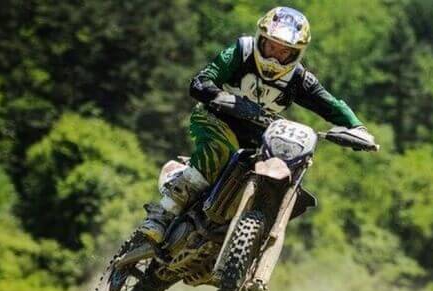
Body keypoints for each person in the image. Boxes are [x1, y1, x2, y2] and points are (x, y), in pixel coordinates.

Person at [139, 6, 376, 243]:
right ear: (260, 39)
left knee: (286, 165)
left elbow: (332, 106)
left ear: (297, 54)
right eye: (271, 46)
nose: (274, 57)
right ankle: (162, 214)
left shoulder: (299, 78)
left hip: (258, 135)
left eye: (284, 52)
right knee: (220, 147)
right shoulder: (242, 52)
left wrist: (358, 129)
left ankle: (248, 229)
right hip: (215, 117)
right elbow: (200, 82)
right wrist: (226, 100)